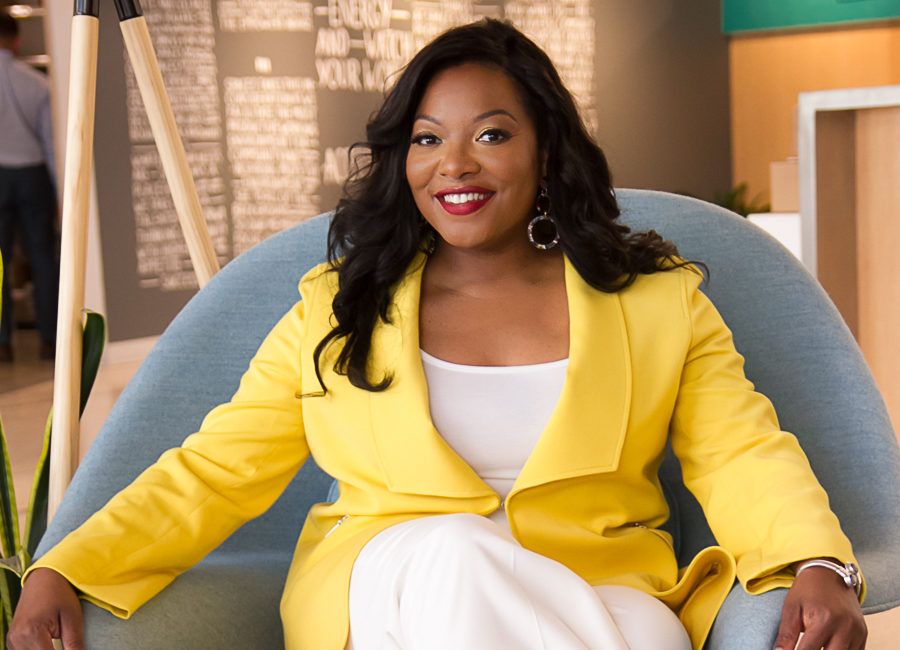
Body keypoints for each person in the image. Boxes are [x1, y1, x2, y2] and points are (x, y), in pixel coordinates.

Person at [10, 19, 866, 650]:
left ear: (546, 151)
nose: (454, 164)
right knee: (457, 553)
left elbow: (741, 452)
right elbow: (216, 468)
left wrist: (820, 562)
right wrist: (65, 566)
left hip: (600, 586)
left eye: (491, 134)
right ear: (403, 159)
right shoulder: (338, 307)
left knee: (642, 631)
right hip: (394, 590)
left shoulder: (657, 302)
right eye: (427, 139)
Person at [0, 13, 58, 362]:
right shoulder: (37, 83)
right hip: (34, 176)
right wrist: (59, 192)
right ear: (17, 40)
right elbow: (51, 144)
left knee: (0, 263)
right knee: (42, 259)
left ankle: (2, 344)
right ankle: (50, 340)